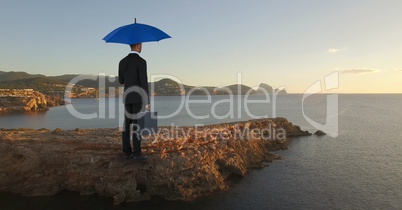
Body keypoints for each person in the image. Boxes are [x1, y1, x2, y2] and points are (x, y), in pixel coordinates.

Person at [118, 42, 150, 161]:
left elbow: (121, 80)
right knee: (137, 125)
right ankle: (137, 154)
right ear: (138, 45)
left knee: (127, 125)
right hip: (138, 98)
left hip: (127, 97)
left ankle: (126, 153)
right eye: (141, 45)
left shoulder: (122, 61)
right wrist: (147, 101)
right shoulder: (141, 62)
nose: (141, 47)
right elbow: (143, 82)